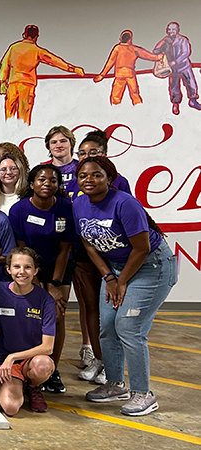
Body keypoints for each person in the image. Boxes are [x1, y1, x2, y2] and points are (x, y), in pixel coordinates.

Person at [74, 157, 177, 416]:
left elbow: (141, 248)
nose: (89, 180)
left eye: (96, 175)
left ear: (109, 178)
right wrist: (109, 278)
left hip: (150, 268)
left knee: (129, 328)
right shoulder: (79, 204)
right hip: (117, 269)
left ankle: (144, 393)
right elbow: (88, 244)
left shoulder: (125, 203)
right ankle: (115, 384)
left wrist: (121, 282)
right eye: (83, 175)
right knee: (107, 327)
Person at [68, 130, 131, 382]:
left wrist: (115, 275)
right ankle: (98, 359)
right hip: (86, 255)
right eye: (81, 154)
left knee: (112, 315)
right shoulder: (77, 184)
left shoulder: (120, 183)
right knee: (91, 308)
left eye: (92, 153)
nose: (86, 158)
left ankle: (113, 366)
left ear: (104, 155)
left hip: (115, 259)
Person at [9, 164, 74, 395]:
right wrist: (35, 283)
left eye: (53, 180)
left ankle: (52, 370)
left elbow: (65, 249)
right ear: (32, 183)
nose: (47, 184)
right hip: (28, 266)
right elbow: (21, 248)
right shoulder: (19, 210)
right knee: (32, 315)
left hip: (58, 267)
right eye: (42, 180)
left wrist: (54, 286)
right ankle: (28, 366)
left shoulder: (66, 207)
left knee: (57, 315)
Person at [0, 247, 56, 415]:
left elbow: (48, 347)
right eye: (16, 267)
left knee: (43, 365)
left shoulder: (46, 300)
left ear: (36, 270)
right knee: (10, 407)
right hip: (4, 361)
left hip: (30, 360)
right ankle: (16, 383)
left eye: (28, 267)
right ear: (8, 269)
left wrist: (13, 356)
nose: (22, 272)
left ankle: (33, 386)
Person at [0, 24, 85, 126]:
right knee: (24, 117)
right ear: (36, 37)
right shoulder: (37, 51)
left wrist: (3, 82)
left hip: (13, 84)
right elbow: (54, 61)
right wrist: (73, 69)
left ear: (24, 35)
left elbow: (4, 65)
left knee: (9, 115)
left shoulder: (13, 48)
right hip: (27, 85)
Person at [94, 30, 162, 106]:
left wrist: (102, 75)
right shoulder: (134, 49)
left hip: (120, 75)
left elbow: (110, 62)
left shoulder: (117, 48)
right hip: (130, 75)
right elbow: (149, 56)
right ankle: (139, 109)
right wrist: (159, 57)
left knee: (116, 96)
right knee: (135, 94)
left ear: (120, 39)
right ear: (130, 39)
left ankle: (114, 109)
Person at [152, 21, 201, 115]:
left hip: (184, 66)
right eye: (169, 30)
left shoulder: (183, 40)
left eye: (173, 30)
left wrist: (176, 61)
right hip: (172, 69)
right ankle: (175, 104)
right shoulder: (166, 41)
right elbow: (156, 51)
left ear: (177, 30)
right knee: (174, 87)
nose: (171, 32)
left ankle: (193, 100)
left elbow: (186, 53)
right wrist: (161, 42)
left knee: (190, 83)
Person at [45, 126, 78, 191]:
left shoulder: (82, 168)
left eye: (63, 141)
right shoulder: (43, 172)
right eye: (54, 142)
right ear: (48, 146)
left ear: (71, 144)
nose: (58, 146)